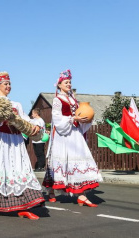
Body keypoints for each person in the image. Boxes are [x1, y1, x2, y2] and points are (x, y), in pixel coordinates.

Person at [0, 72, 44, 220]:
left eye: (9, 84)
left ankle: (23, 206)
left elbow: (24, 119)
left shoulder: (16, 104)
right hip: (1, 142)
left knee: (20, 169)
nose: (8, 86)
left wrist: (34, 126)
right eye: (5, 84)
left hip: (16, 141)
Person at [42, 69, 102, 207]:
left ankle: (81, 195)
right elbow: (56, 117)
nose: (68, 84)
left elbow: (80, 113)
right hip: (64, 134)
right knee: (61, 164)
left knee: (78, 162)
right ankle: (51, 190)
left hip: (75, 133)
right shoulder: (58, 100)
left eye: (70, 82)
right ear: (59, 85)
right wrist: (72, 118)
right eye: (66, 82)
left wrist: (85, 119)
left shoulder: (73, 99)